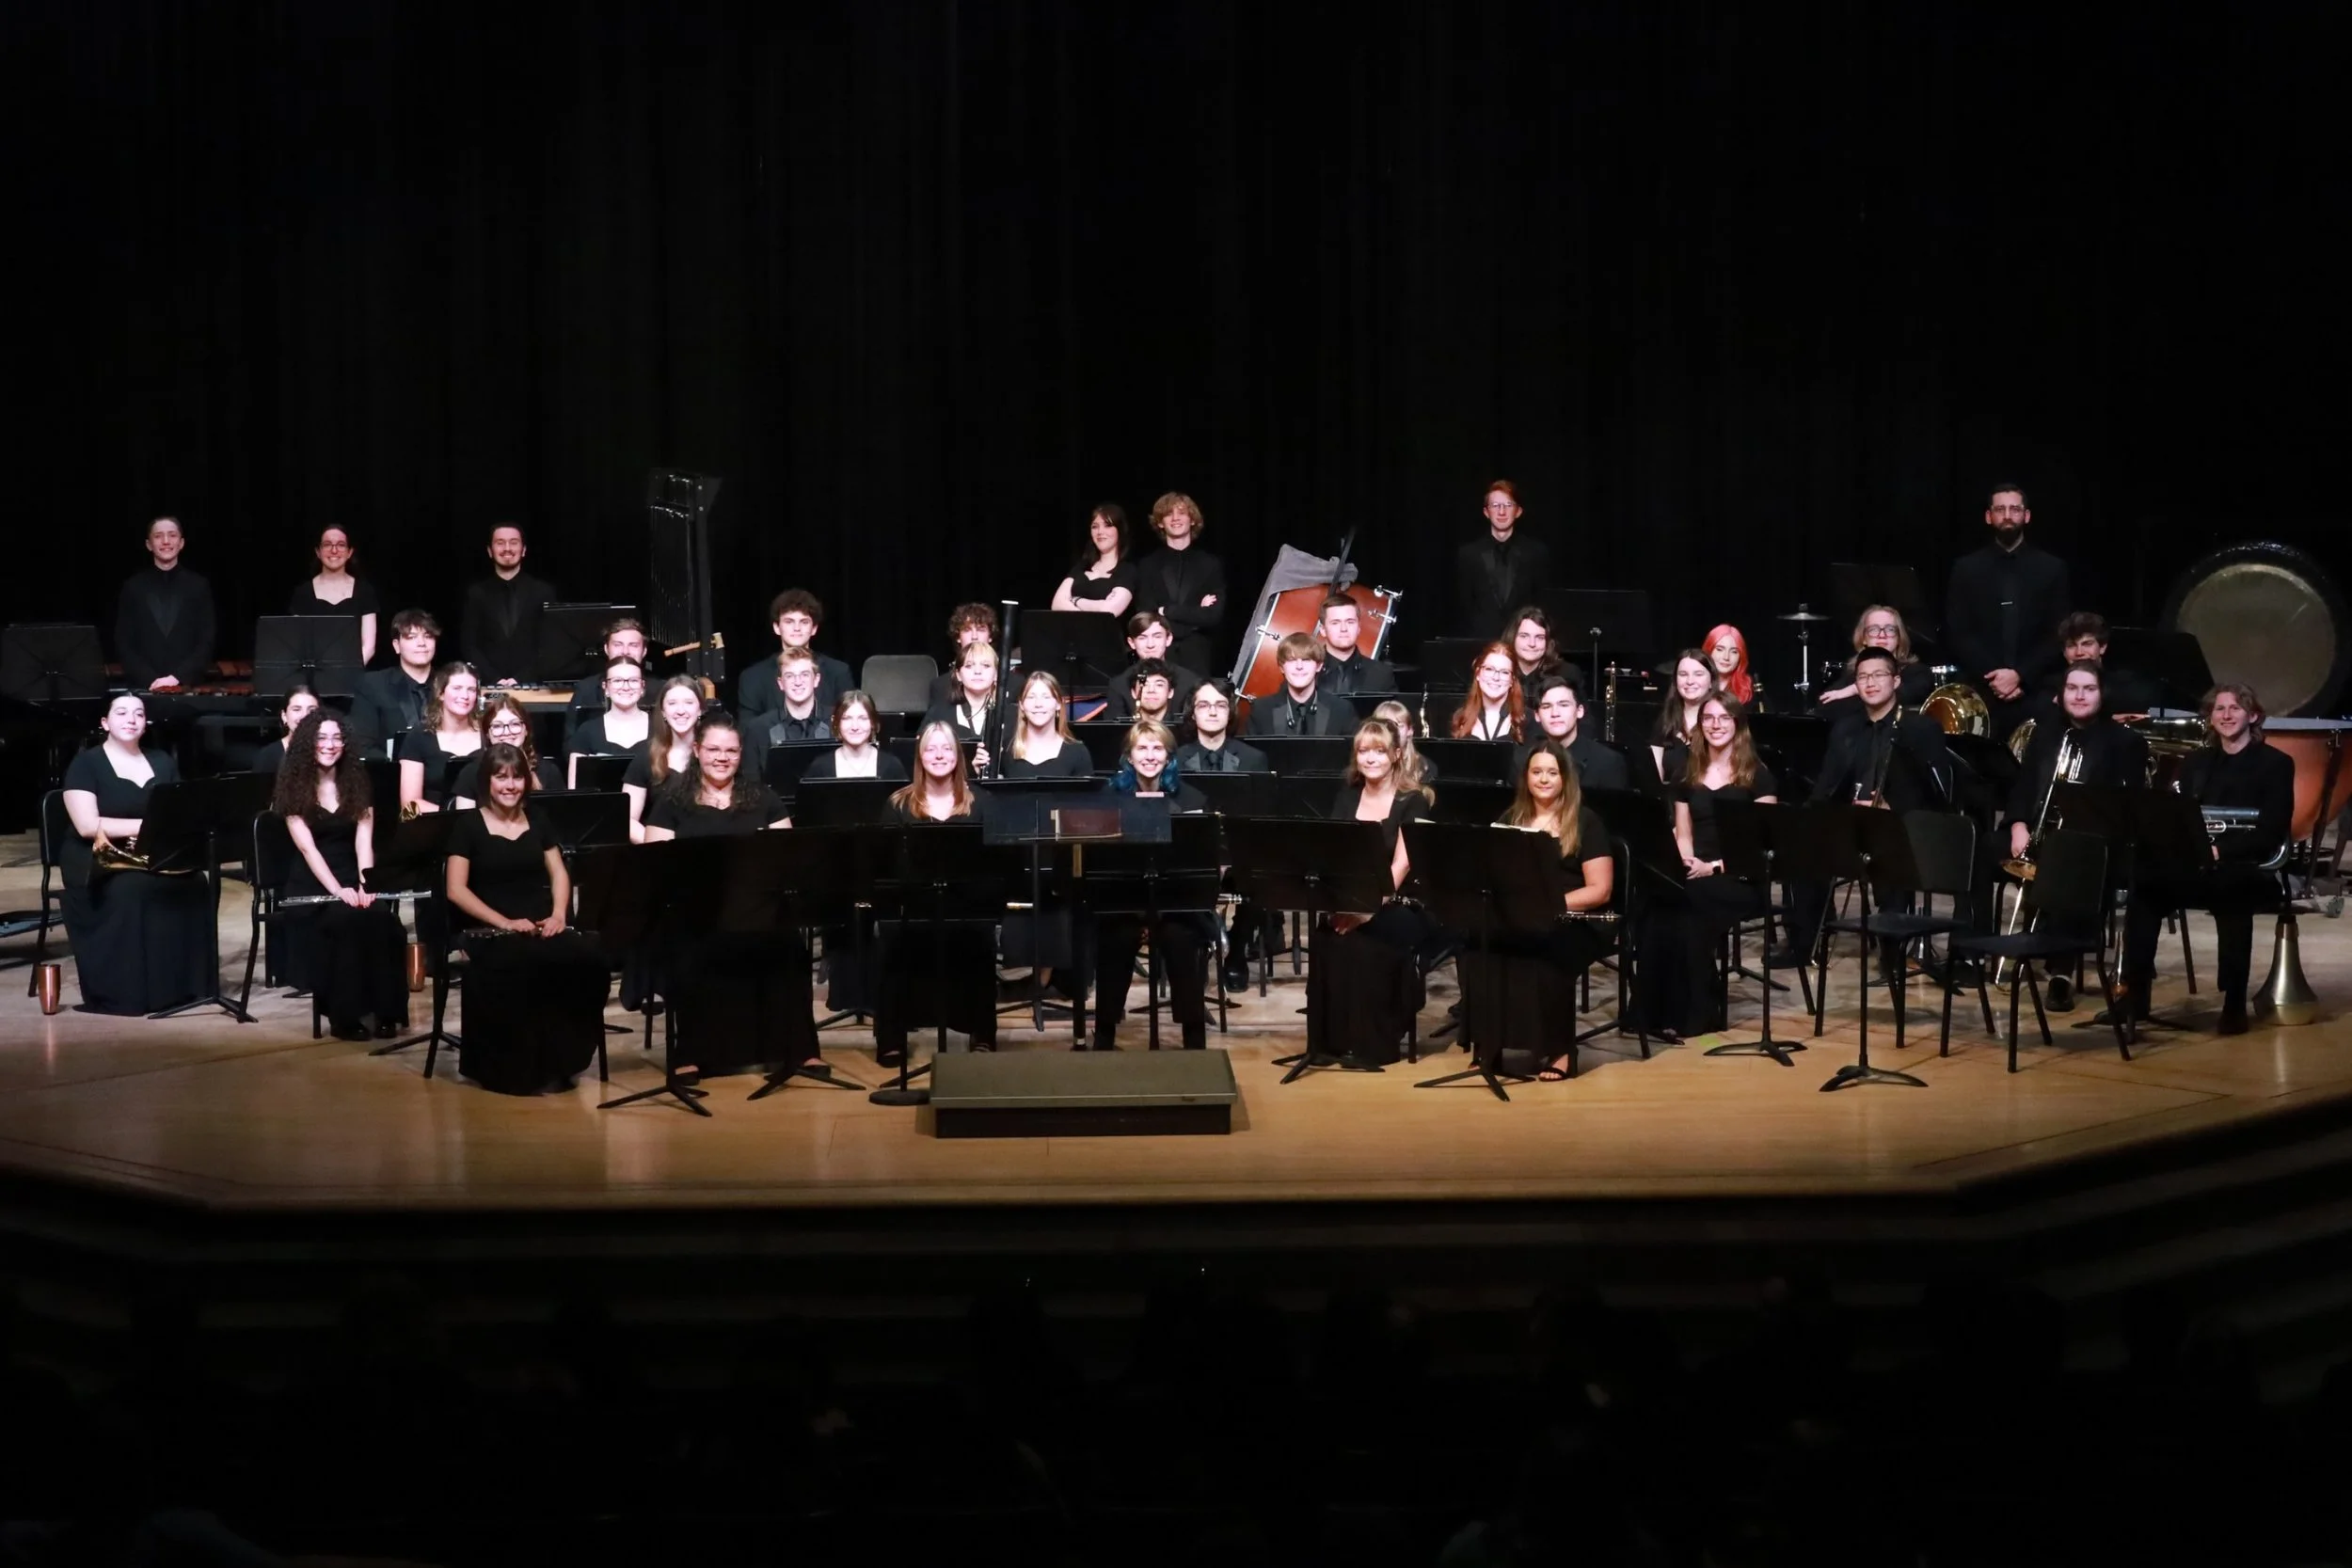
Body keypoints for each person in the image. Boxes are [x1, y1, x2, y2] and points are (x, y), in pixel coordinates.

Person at [2110, 683, 2296, 1035]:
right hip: (2197, 864)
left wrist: (2221, 851)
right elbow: (2179, 815)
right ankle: (2136, 997)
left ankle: (2234, 1005)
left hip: (2246, 866)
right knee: (2145, 888)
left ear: (2253, 716)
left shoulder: (2276, 764)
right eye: (2219, 709)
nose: (2226, 715)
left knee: (2233, 893)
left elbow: (2272, 830)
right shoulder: (2197, 762)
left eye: (2235, 708)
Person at [642, 715, 814, 1082]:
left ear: (741, 754)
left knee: (790, 943)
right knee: (687, 946)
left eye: (731, 751)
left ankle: (800, 1049)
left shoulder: (764, 799)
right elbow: (654, 866)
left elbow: (788, 857)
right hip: (696, 912)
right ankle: (690, 1053)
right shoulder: (672, 802)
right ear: (697, 750)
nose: (722, 758)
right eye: (714, 750)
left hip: (755, 908)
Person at [442, 743, 611, 1094]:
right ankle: (516, 1070)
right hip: (489, 930)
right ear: (487, 781)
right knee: (523, 963)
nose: (510, 785)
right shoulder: (467, 825)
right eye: (501, 777)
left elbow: (559, 873)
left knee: (589, 959)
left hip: (539, 925)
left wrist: (559, 914)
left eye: (517, 777)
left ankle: (563, 1060)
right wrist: (504, 922)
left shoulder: (538, 819)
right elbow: (456, 890)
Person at [1772, 649, 1957, 969]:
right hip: (1851, 823)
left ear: (1896, 681)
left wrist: (1890, 806)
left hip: (1901, 825)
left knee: (1887, 845)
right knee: (1803, 843)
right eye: (1863, 677)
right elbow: (1827, 785)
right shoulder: (1845, 729)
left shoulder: (1920, 728)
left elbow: (1936, 793)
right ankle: (1804, 944)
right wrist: (1807, 818)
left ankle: (1892, 951)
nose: (1870, 683)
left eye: (1878, 675)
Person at [1458, 740, 1616, 1079]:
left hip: (1573, 916)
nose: (1543, 779)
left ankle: (1560, 1051)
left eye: (1552, 773)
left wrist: (1548, 905)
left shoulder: (1586, 822)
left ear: (1565, 778)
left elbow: (1600, 889)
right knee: (1480, 943)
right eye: (1536, 772)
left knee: (1548, 945)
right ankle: (1489, 1046)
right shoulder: (1511, 818)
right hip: (1521, 913)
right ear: (1526, 777)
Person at [58, 693, 215, 1014]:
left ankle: (182, 988)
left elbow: (180, 812)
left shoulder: (162, 761)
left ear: (146, 724)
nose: (131, 719)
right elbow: (87, 826)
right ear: (105, 723)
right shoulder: (86, 764)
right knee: (132, 889)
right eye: (121, 713)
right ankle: (132, 993)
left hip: (149, 853)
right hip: (96, 860)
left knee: (196, 882)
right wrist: (148, 826)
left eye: (139, 714)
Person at [1637, 697, 1777, 1040]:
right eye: (1709, 718)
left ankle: (1697, 1013)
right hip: (1697, 870)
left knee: (1691, 907)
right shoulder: (1688, 772)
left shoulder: (1758, 775)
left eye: (1724, 718)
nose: (1716, 725)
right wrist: (1685, 863)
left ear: (1738, 724)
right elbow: (1684, 834)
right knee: (1658, 903)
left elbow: (1762, 846)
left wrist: (1712, 867)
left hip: (1740, 875)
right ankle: (1654, 1013)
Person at [1303, 719, 1438, 1068]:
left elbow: (1401, 866)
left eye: (1379, 751)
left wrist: (1365, 911)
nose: (1371, 758)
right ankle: (1330, 1043)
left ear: (1396, 754)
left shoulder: (1413, 801)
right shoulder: (1347, 797)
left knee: (1366, 943)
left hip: (1401, 903)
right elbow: (1335, 858)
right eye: (1363, 751)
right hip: (1352, 898)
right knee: (1326, 937)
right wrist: (1340, 906)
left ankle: (1373, 1045)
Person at [271, 711, 407, 1041]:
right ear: (308, 743)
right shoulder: (293, 787)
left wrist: (365, 884)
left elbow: (363, 842)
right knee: (344, 922)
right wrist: (338, 890)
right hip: (313, 883)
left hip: (352, 875)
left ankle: (386, 1012)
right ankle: (344, 1016)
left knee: (383, 920)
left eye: (336, 738)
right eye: (321, 738)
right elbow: (308, 850)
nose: (329, 745)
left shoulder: (357, 782)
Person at [874, 721, 998, 1064]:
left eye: (946, 748)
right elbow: (885, 866)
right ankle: (891, 1038)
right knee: (892, 939)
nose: (939, 755)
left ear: (958, 756)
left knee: (981, 937)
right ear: (919, 757)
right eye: (931, 749)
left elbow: (994, 867)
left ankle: (982, 1033)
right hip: (914, 904)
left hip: (966, 904)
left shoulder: (983, 803)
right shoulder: (897, 804)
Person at [1088, 721, 1214, 1051]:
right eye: (1141, 748)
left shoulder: (1191, 798)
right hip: (1123, 904)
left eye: (1158, 748)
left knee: (1182, 939)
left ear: (1169, 756)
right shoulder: (1108, 798)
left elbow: (1202, 864)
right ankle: (1104, 1036)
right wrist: (1140, 914)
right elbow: (1099, 862)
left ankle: (1194, 1040)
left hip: (1175, 905)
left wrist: (1158, 914)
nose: (1149, 756)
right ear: (1128, 756)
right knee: (1116, 938)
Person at [1944, 483, 2073, 740]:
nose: (2007, 515)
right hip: (1981, 692)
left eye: (2014, 509)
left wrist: (2021, 676)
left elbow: (2058, 633)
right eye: (2000, 509)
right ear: (1988, 516)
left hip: (2036, 691)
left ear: (2026, 516)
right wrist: (1996, 678)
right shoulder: (1966, 569)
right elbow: (1958, 632)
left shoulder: (2052, 569)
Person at [113, 516, 215, 692]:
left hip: (187, 686)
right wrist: (150, 679)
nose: (166, 541)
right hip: (144, 687)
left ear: (181, 543)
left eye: (172, 535)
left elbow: (207, 639)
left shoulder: (199, 586)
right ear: (149, 544)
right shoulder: (133, 587)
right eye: (158, 536)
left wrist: (177, 677)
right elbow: (123, 641)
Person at [1131, 491, 1226, 676]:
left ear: (1192, 520)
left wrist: (1166, 611)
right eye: (1169, 514)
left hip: (1198, 657)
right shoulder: (1147, 565)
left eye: (1182, 513)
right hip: (1160, 655)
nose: (1175, 518)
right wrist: (1194, 614)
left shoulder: (1210, 564)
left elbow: (1213, 616)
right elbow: (1146, 613)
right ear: (1160, 522)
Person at [1454, 480, 1549, 641]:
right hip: (1480, 643)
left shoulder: (1536, 553)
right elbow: (1464, 606)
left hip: (1522, 643)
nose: (1502, 512)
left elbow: (1541, 603)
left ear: (1518, 511)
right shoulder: (1468, 555)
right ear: (1486, 512)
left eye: (1508, 505)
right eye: (1495, 505)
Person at [459, 523, 554, 686]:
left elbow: (552, 644)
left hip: (534, 686)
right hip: (489, 686)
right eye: (500, 543)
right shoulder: (475, 593)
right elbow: (469, 645)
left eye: (514, 542)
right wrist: (495, 679)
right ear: (490, 551)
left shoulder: (543, 592)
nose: (507, 548)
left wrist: (521, 679)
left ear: (524, 550)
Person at [739, 589, 853, 721]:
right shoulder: (753, 677)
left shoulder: (838, 672)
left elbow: (849, 722)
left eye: (804, 622)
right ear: (777, 627)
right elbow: (748, 729)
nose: (797, 628)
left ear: (814, 628)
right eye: (789, 622)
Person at [620, 675, 707, 840]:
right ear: (663, 712)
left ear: (700, 710)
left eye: (689, 703)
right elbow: (627, 819)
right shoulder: (645, 757)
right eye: (672, 703)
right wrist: (659, 847)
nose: (680, 710)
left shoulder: (714, 756)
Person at [285, 526, 380, 667]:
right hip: (313, 673)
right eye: (327, 545)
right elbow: (297, 643)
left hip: (354, 673)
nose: (334, 550)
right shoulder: (303, 593)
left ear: (349, 552)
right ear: (318, 552)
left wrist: (349, 670)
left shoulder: (365, 591)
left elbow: (369, 646)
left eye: (341, 545)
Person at [349, 610, 440, 754]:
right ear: (397, 645)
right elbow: (362, 744)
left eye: (428, 636)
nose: (422, 643)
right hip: (390, 766)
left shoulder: (450, 684)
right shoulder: (373, 684)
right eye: (411, 637)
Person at [396, 663, 485, 812]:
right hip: (435, 820)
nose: (465, 696)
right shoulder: (419, 736)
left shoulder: (488, 732)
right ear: (441, 693)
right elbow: (409, 805)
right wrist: (453, 817)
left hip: (484, 822)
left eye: (471, 690)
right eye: (457, 688)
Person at [1818, 604, 1936, 712]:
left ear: (1899, 638)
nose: (1882, 635)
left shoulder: (1918, 672)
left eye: (1890, 629)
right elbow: (1825, 704)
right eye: (1873, 629)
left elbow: (1904, 697)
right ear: (1863, 638)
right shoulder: (1852, 674)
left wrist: (1856, 690)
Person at [450, 694, 564, 806]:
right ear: (487, 733)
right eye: (497, 726)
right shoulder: (470, 773)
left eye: (514, 724)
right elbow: (464, 818)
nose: (506, 732)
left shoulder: (549, 772)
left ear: (526, 730)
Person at [1519, 679, 1630, 791]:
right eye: (1546, 707)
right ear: (1537, 715)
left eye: (1564, 705)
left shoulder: (1608, 762)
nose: (1555, 713)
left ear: (1579, 711)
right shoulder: (1522, 759)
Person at [2043, 610, 2160, 718]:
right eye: (2071, 645)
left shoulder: (2131, 685)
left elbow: (2159, 711)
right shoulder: (2050, 686)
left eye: (2087, 644)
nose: (2079, 652)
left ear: (2102, 647)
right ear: (2064, 653)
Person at [564, 657, 651, 789]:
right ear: (606, 687)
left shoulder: (661, 728)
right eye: (617, 681)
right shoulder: (587, 731)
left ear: (642, 686)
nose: (626, 687)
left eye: (633, 680)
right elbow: (575, 790)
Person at [1104, 610, 1204, 720]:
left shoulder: (1190, 682)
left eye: (1157, 636)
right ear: (1132, 643)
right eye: (1142, 638)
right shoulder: (1119, 684)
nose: (1150, 645)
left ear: (1168, 639)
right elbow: (1115, 728)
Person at [748, 648, 834, 779]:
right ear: (780, 683)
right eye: (789, 676)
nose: (798, 682)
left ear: (816, 680)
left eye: (804, 675)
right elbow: (751, 783)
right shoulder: (759, 729)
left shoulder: (837, 722)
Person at [563, 617, 649, 743]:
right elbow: (571, 742)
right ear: (606, 649)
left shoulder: (659, 690)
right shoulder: (585, 689)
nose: (625, 651)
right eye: (618, 645)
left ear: (644, 651)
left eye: (633, 645)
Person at [1248, 631, 1346, 736]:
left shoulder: (1341, 709)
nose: (1299, 666)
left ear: (1319, 666)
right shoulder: (1260, 710)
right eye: (1292, 660)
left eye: (1306, 660)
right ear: (1281, 668)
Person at [924, 641, 1002, 769]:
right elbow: (920, 756)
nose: (978, 671)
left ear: (996, 674)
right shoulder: (938, 713)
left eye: (986, 665)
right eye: (969, 666)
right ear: (958, 675)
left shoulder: (1011, 715)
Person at [803, 690, 910, 783]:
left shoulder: (892, 766)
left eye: (863, 718)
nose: (855, 726)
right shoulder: (820, 767)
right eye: (847, 718)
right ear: (836, 723)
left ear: (873, 722)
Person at [1051, 504, 1137, 617]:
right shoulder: (1082, 566)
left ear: (1119, 530)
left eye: (1107, 525)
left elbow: (1109, 611)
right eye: (1095, 527)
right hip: (1073, 628)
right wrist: (1086, 617)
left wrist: (1075, 600)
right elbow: (1057, 604)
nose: (1100, 532)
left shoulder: (1127, 570)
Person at [1005, 671, 1092, 777]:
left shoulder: (1078, 752)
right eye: (1031, 697)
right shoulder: (1006, 750)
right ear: (1021, 705)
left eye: (1046, 697)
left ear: (1058, 704)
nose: (1038, 704)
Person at [1648, 651, 1717, 784]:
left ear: (1711, 682)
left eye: (1698, 674)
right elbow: (1655, 779)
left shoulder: (1722, 721)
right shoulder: (1665, 720)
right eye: (1683, 674)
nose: (1690, 681)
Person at [1176, 679, 1267, 774]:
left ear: (1230, 712)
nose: (1213, 712)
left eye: (1221, 706)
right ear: (1192, 714)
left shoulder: (1254, 758)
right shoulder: (1176, 759)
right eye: (1203, 706)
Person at [1504, 607, 1584, 713]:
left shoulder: (1568, 674)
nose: (1532, 644)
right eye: (1524, 636)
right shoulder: (1499, 672)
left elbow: (1585, 719)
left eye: (1539, 637)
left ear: (1548, 642)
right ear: (1513, 638)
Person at [1318, 594, 1398, 700]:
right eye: (1335, 623)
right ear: (1323, 630)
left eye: (1350, 622)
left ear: (1359, 627)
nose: (1343, 629)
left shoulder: (1382, 674)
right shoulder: (1305, 671)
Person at [927, 604, 1001, 710]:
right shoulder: (940, 686)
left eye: (980, 629)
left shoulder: (1015, 684)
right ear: (958, 637)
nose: (974, 637)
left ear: (990, 636)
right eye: (967, 630)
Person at [1451, 642, 1526, 742]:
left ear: (1512, 680)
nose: (1496, 677)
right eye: (1489, 669)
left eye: (1504, 672)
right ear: (1478, 673)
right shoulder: (1460, 718)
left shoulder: (1527, 720)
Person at [248, 685, 321, 777]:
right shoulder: (268, 756)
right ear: (284, 716)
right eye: (296, 709)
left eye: (312, 710)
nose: (305, 716)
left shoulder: (330, 751)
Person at [1372, 700, 1437, 792]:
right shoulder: (1367, 764)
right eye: (1386, 726)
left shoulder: (1425, 767)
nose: (1393, 731)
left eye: (1399, 725)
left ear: (1410, 730)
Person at [1703, 624, 1763, 710]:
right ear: (1708, 651)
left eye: (1734, 652)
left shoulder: (1751, 688)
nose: (1726, 657)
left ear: (1741, 656)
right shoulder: (1696, 684)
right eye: (1719, 649)